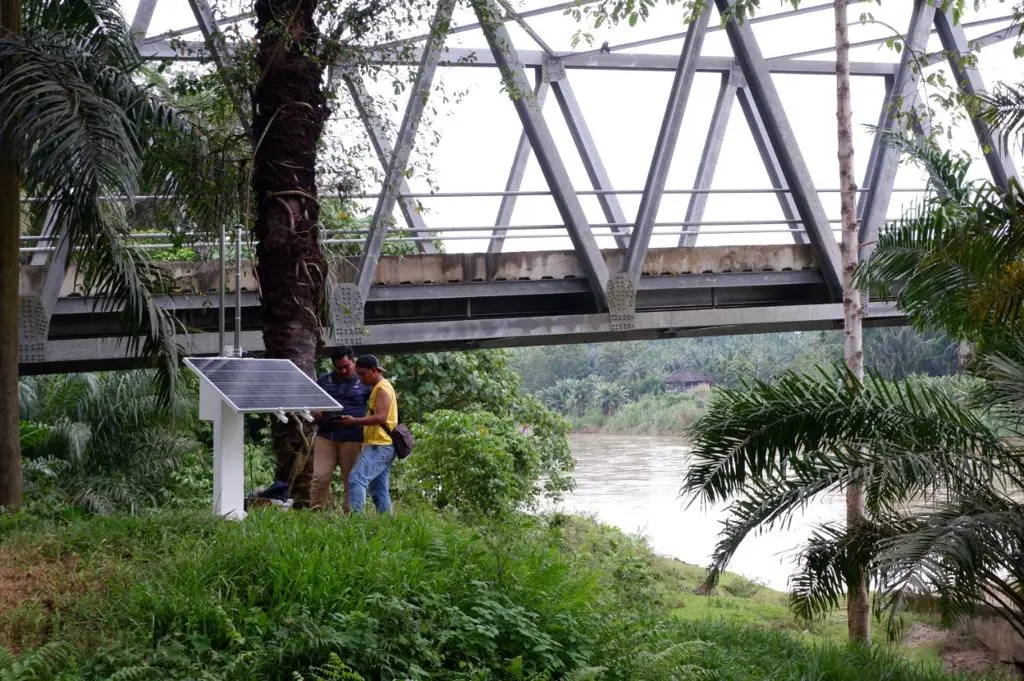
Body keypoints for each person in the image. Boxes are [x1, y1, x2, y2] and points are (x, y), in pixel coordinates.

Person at [311, 347, 370, 512]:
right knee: (320, 476)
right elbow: (312, 402)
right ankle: (315, 513)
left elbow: (375, 407)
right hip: (326, 435)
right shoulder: (324, 380)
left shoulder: (365, 380)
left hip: (353, 437)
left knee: (351, 478)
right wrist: (315, 411)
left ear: (353, 362)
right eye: (339, 367)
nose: (343, 370)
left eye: (347, 366)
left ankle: (350, 515)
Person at [339, 354, 398, 514]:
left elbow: (381, 417)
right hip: (380, 444)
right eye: (359, 374)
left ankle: (356, 522)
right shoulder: (378, 388)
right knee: (378, 488)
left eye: (363, 374)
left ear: (375, 371)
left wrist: (355, 421)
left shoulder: (382, 389)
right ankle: (388, 524)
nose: (361, 378)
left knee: (356, 479)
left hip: (381, 445)